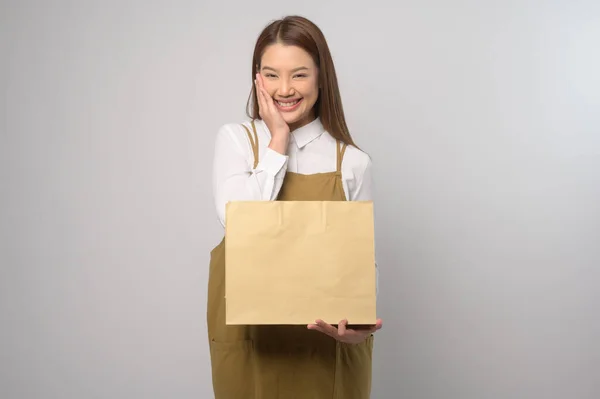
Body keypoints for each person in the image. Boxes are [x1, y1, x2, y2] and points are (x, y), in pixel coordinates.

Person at [208, 15, 383, 398]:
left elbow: (360, 271)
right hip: (252, 347)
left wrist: (357, 330)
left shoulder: (352, 162)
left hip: (326, 354)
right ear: (257, 78)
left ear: (322, 78)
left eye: (299, 75)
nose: (284, 89)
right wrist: (278, 140)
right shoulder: (237, 142)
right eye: (271, 75)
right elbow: (240, 224)